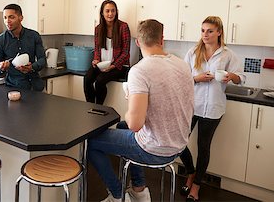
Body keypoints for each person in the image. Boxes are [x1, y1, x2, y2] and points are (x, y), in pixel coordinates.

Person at [88, 19, 194, 202]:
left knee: (90, 141)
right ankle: (139, 189)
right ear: (162, 39)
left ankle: (117, 195)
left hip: (154, 149)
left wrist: (130, 101)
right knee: (121, 127)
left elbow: (135, 124)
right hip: (179, 146)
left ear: (138, 41)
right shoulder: (182, 65)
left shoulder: (140, 70)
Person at [180, 16, 245, 202]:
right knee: (179, 142)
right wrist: (196, 78)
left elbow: (241, 78)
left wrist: (231, 75)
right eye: (202, 30)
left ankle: (197, 186)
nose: (205, 34)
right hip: (192, 105)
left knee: (203, 148)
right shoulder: (193, 52)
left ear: (219, 32)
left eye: (209, 31)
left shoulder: (227, 54)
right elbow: (183, 78)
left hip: (214, 109)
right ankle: (190, 173)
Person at [0, 3, 46, 91]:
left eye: (11, 17)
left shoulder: (34, 36)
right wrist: (0, 68)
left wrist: (32, 67)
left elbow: (42, 59)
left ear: (21, 18)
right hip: (15, 88)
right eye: (5, 18)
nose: (7, 21)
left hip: (36, 87)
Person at [84, 0, 131, 104]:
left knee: (100, 81)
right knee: (87, 79)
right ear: (102, 13)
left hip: (119, 66)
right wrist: (96, 60)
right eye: (107, 11)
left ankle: (99, 108)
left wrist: (113, 66)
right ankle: (90, 107)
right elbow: (97, 48)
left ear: (116, 12)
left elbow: (126, 52)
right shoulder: (98, 29)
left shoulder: (123, 27)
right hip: (102, 64)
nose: (110, 14)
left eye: (113, 11)